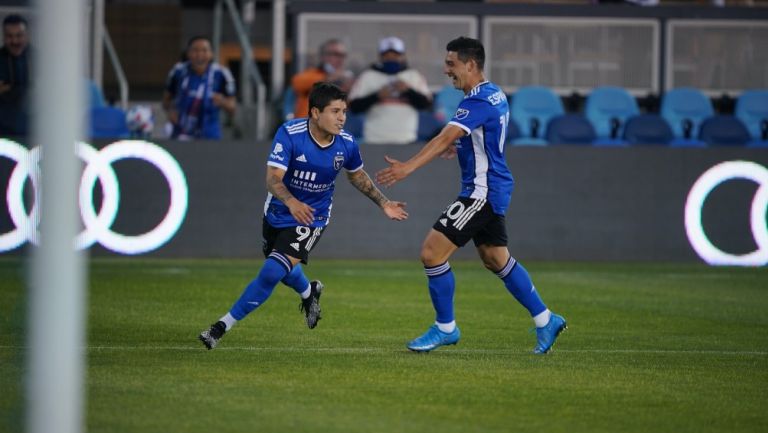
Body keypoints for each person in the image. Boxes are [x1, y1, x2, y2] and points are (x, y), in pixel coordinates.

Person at [376, 37, 567, 354]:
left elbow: (445, 136)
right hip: (492, 188)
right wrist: (462, 144)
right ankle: (546, 319)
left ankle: (445, 328)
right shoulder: (492, 94)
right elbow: (478, 136)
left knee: (432, 253)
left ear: (470, 64)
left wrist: (407, 167)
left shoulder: (477, 100)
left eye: (451, 63)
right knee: (495, 258)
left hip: (481, 192)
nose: (446, 70)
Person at [199, 82, 408, 350]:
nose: (342, 118)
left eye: (344, 111)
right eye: (335, 111)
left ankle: (220, 327)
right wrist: (291, 201)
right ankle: (310, 292)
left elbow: (356, 175)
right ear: (315, 113)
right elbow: (273, 179)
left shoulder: (346, 143)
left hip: (313, 218)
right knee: (285, 271)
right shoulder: (290, 134)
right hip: (278, 211)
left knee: (272, 271)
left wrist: (383, 202)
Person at [348, 36, 432, 145]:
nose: (391, 59)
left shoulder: (413, 75)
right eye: (387, 55)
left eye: (395, 55)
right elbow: (354, 107)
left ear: (402, 56)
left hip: (406, 139)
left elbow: (427, 104)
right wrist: (377, 96)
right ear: (380, 56)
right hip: (374, 140)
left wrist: (408, 91)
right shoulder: (368, 76)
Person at [162, 35, 236, 140]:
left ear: (211, 54)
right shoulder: (178, 71)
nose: (200, 55)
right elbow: (166, 101)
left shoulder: (222, 73)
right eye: (195, 50)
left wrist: (222, 101)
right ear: (188, 53)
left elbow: (233, 108)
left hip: (210, 135)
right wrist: (170, 111)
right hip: (180, 133)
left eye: (204, 50)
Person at [291, 38, 354, 119]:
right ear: (323, 56)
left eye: (343, 55)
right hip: (307, 124)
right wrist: (329, 78)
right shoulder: (313, 74)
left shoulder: (347, 78)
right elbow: (297, 83)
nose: (340, 59)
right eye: (335, 54)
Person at [0, 14, 30, 137]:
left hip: (33, 132)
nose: (15, 41)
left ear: (26, 35)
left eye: (19, 35)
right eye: (10, 36)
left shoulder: (40, 61)